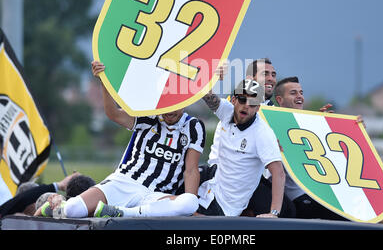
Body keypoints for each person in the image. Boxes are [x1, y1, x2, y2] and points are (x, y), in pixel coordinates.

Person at [62, 61, 205, 219]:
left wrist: (191, 212)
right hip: (124, 183)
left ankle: (122, 213)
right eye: (167, 105)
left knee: (190, 202)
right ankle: (59, 204)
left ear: (184, 102)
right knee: (72, 210)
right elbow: (113, 114)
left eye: (175, 106)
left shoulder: (194, 126)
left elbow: (191, 170)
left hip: (155, 196)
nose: (170, 112)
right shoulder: (150, 114)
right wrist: (103, 81)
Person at [198, 79, 285, 217]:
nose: (246, 106)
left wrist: (274, 213)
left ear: (258, 108)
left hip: (226, 207)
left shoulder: (262, 133)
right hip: (210, 188)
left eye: (253, 103)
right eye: (243, 100)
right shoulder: (227, 111)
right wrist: (213, 74)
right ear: (234, 100)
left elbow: (279, 173)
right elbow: (203, 91)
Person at [274, 76, 348, 220]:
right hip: (298, 196)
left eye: (301, 92)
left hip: (321, 193)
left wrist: (353, 127)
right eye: (293, 93)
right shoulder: (269, 126)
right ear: (279, 100)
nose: (300, 96)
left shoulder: (309, 124)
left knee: (352, 218)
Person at [0, 172, 87, 218]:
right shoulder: (10, 220)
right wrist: (57, 186)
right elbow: (22, 199)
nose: (40, 202)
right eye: (37, 198)